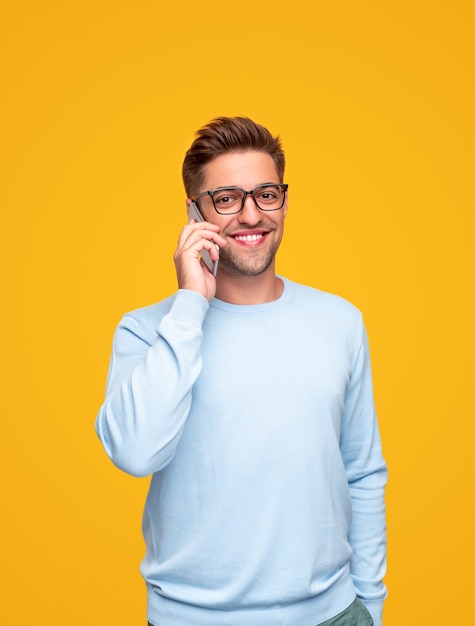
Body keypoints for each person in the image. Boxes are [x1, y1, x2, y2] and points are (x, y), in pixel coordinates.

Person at [95, 116, 387, 626]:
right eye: (227, 198)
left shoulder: (340, 320)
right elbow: (136, 453)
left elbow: (362, 471)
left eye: (265, 194)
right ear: (194, 212)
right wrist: (190, 305)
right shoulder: (148, 330)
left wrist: (371, 605)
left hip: (335, 615)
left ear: (284, 202)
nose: (250, 214)